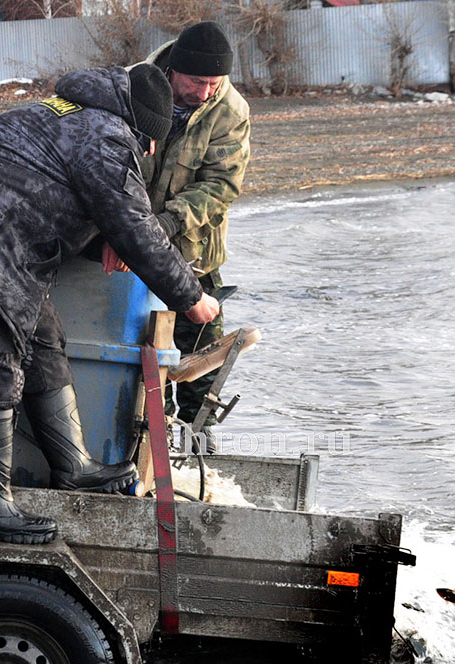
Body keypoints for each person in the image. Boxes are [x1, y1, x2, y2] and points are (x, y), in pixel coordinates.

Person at [0, 64, 220, 545]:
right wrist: (192, 298)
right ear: (143, 128)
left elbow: (51, 189)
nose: (147, 152)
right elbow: (137, 230)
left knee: (42, 337)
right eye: (150, 142)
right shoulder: (104, 135)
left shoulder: (74, 113)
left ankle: (72, 465)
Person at [141, 21, 251, 453]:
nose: (206, 92)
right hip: (127, 250)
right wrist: (134, 230)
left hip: (194, 254)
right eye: (197, 82)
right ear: (174, 71)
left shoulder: (231, 111)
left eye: (214, 82)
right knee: (134, 355)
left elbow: (222, 185)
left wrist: (169, 222)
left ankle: (195, 451)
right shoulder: (139, 88)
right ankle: (139, 443)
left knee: (199, 364)